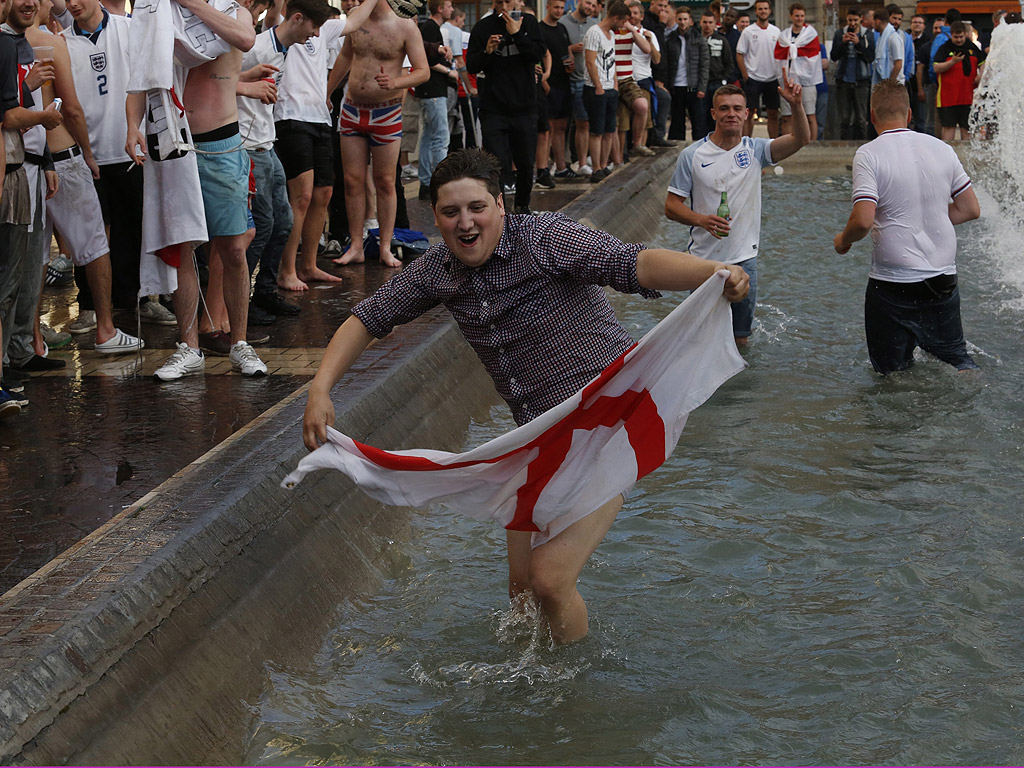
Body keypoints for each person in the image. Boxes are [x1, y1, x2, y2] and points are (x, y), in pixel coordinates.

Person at [301, 147, 749, 645]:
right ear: (437, 218)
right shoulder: (437, 270)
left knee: (550, 580)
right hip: (538, 438)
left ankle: (574, 684)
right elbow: (367, 318)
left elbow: (632, 263)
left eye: (477, 208)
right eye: (450, 212)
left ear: (499, 205)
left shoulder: (545, 238)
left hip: (610, 424)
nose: (465, 223)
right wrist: (320, 389)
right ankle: (528, 676)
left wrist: (712, 273)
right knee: (521, 593)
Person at [19, 0, 145, 361]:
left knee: (37, 253)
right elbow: (71, 109)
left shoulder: (9, 42)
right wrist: (87, 152)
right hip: (61, 155)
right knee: (94, 244)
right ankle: (105, 329)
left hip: (26, 159)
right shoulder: (49, 42)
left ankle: (33, 339)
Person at [833, 79, 980, 374]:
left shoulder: (869, 154)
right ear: (910, 114)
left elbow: (862, 221)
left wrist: (843, 240)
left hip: (892, 283)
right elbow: (970, 209)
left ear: (872, 115)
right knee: (957, 360)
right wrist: (930, 216)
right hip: (942, 277)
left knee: (891, 374)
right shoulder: (942, 149)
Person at [664, 79, 809, 345]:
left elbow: (801, 139)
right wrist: (702, 220)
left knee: (741, 340)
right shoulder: (692, 155)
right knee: (700, 340)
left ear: (746, 114)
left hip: (744, 260)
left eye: (737, 108)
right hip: (702, 261)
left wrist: (796, 105)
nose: (731, 114)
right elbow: (671, 206)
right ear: (713, 113)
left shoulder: (756, 150)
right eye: (724, 108)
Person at [268, 0, 378, 292]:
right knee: (301, 196)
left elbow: (355, 21)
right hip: (290, 117)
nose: (316, 32)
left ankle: (308, 265)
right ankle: (287, 270)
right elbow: (277, 8)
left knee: (323, 193)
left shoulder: (323, 28)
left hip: (320, 118)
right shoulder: (281, 23)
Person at [329, 0, 428, 266]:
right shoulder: (355, 18)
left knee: (385, 181)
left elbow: (423, 71)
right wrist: (326, 92)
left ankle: (385, 246)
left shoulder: (405, 26)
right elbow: (346, 56)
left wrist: (395, 82)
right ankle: (356, 245)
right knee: (352, 181)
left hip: (386, 112)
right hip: (352, 109)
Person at [466, 0, 547, 212]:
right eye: (499, 2)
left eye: (508, 1)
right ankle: (498, 211)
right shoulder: (483, 27)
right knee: (495, 164)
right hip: (494, 107)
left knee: (525, 162)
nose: (504, 6)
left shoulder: (528, 22)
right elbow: (471, 65)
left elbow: (538, 54)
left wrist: (517, 34)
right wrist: (488, 52)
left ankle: (522, 207)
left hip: (524, 106)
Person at [580, 0, 624, 181]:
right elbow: (590, 61)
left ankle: (604, 165)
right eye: (623, 21)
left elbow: (612, 61)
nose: (623, 26)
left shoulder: (611, 35)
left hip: (610, 86)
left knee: (609, 130)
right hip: (595, 88)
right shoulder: (594, 32)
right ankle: (596, 167)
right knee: (596, 130)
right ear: (615, 18)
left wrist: (615, 84)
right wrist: (598, 86)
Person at [414, 0, 453, 201]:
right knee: (440, 137)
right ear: (439, 8)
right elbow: (426, 59)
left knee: (429, 136)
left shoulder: (431, 27)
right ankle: (441, 183)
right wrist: (449, 71)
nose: (451, 9)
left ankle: (426, 181)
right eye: (449, 6)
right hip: (433, 90)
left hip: (429, 90)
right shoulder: (430, 28)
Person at [558, 0, 596, 174]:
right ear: (579, 2)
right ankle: (559, 163)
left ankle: (582, 164)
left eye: (593, 5)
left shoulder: (593, 25)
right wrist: (571, 49)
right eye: (587, 3)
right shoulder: (562, 22)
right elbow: (554, 47)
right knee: (559, 125)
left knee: (584, 123)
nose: (590, 7)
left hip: (583, 79)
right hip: (563, 80)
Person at [773, 2, 820, 139]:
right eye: (797, 16)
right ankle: (788, 144)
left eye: (802, 16)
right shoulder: (784, 36)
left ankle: (812, 145)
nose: (799, 18)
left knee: (810, 115)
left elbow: (814, 57)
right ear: (791, 16)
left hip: (807, 81)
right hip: (789, 81)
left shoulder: (811, 34)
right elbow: (778, 56)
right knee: (787, 117)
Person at [933, 20, 984, 141]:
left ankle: (966, 153)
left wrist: (981, 75)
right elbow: (936, 68)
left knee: (967, 128)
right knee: (948, 127)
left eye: (961, 37)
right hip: (948, 97)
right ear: (951, 35)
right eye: (956, 37)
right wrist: (952, 62)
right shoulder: (944, 48)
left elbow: (984, 63)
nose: (959, 40)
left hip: (968, 97)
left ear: (965, 34)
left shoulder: (972, 48)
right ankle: (947, 151)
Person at [539, 0, 574, 177]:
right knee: (548, 128)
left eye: (561, 8)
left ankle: (561, 166)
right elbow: (538, 57)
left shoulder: (562, 28)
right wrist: (544, 84)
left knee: (561, 126)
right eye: (556, 8)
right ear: (548, 7)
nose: (559, 11)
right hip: (549, 84)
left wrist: (570, 64)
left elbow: (566, 52)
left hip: (564, 82)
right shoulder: (540, 29)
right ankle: (544, 167)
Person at [736, 0, 780, 137]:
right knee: (748, 113)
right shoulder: (748, 32)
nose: (763, 11)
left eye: (765, 8)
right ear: (755, 11)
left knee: (773, 113)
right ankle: (746, 143)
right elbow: (739, 54)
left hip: (772, 78)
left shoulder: (776, 31)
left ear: (770, 11)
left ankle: (773, 144)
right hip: (753, 78)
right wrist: (745, 74)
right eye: (760, 9)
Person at [664, 5, 708, 142]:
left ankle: (700, 147)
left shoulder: (698, 39)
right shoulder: (670, 39)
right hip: (676, 85)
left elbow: (704, 64)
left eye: (685, 19)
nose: (682, 22)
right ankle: (677, 149)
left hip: (693, 86)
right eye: (680, 19)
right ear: (676, 20)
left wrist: (702, 87)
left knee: (698, 122)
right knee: (676, 121)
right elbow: (667, 64)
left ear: (690, 21)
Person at [700, 9, 732, 134]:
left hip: (717, 83)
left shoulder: (722, 40)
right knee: (701, 116)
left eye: (710, 22)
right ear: (700, 23)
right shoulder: (695, 40)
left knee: (718, 116)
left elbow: (729, 62)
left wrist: (724, 79)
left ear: (715, 24)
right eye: (705, 22)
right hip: (700, 85)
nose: (707, 25)